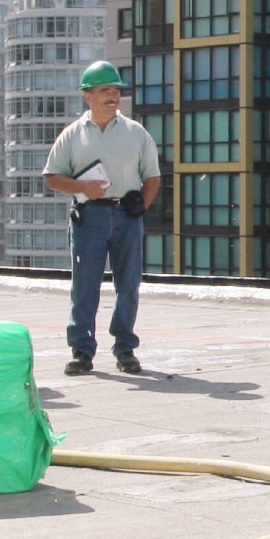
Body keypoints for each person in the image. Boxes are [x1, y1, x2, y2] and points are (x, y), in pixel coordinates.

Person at [43, 61, 162, 376]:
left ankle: (125, 349)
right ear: (88, 96)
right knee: (84, 286)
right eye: (104, 91)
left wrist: (140, 208)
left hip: (127, 216)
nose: (112, 96)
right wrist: (82, 187)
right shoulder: (72, 135)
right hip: (89, 217)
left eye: (115, 91)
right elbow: (52, 177)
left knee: (129, 284)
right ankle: (82, 351)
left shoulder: (136, 133)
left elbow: (152, 177)